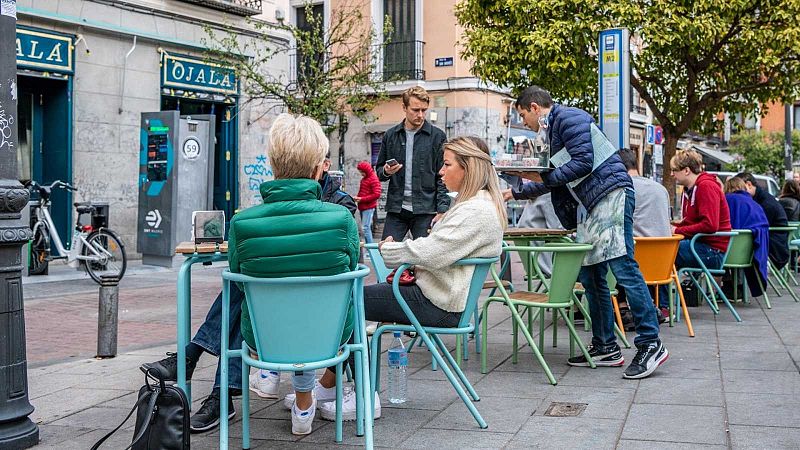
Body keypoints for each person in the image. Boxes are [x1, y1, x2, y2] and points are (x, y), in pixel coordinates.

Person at [140, 119, 359, 435]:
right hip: (330, 336)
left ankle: (200, 364)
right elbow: (352, 269)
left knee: (239, 290)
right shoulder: (342, 220)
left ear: (272, 165)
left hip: (264, 340)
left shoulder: (243, 224)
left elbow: (239, 280)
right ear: (317, 169)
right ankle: (217, 382)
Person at [504, 86, 666, 379]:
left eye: (523, 115)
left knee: (624, 267)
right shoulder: (552, 133)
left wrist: (541, 176)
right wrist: (514, 193)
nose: (524, 123)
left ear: (534, 107)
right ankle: (605, 346)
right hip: (592, 205)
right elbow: (554, 179)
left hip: (611, 195)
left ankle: (650, 343)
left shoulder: (569, 118)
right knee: (591, 276)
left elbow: (582, 163)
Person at [376, 86, 449, 241]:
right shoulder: (391, 135)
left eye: (424, 110)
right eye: (415, 110)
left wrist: (442, 210)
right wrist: (386, 171)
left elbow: (443, 176)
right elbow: (379, 172)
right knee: (386, 249)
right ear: (404, 107)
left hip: (426, 210)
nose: (420, 115)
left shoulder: (437, 136)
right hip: (397, 209)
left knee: (426, 254)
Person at [669, 149, 732, 301]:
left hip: (712, 251)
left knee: (664, 251)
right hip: (706, 247)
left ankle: (662, 304)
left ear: (686, 170)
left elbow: (710, 225)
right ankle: (663, 303)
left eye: (674, 170)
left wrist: (677, 230)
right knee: (663, 251)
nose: (671, 174)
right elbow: (696, 222)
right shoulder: (695, 188)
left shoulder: (705, 186)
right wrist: (674, 226)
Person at [724, 177, 769, 297]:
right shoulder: (755, 204)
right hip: (750, 254)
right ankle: (737, 289)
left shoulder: (726, 200)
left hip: (728, 254)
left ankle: (721, 288)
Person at [735, 172, 790, 269]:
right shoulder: (762, 199)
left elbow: (754, 225)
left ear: (749, 184)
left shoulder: (765, 204)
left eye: (739, 189)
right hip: (774, 244)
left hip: (773, 249)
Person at [355, 160, 382, 243]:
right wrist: (358, 198)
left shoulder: (373, 179)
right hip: (363, 207)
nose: (361, 174)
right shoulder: (365, 179)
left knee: (365, 228)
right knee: (366, 228)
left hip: (368, 207)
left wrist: (361, 199)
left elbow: (377, 194)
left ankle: (371, 248)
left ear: (366, 171)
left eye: (362, 172)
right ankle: (369, 247)